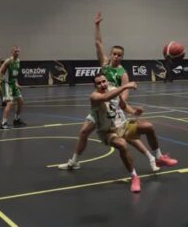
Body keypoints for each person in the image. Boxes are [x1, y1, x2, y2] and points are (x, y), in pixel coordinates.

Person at [59, 13, 175, 171]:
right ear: (111, 54)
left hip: (113, 109)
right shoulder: (105, 64)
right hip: (99, 107)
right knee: (84, 132)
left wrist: (124, 108)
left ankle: (152, 159)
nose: (116, 56)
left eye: (119, 55)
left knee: (130, 138)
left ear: (122, 57)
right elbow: (98, 43)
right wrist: (97, 25)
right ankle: (74, 162)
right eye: (114, 54)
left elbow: (124, 97)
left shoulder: (123, 74)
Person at [78, 73, 178, 193]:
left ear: (107, 81)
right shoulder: (94, 96)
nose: (102, 84)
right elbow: (106, 98)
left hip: (122, 126)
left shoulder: (113, 90)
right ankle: (134, 177)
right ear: (95, 86)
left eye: (104, 81)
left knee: (148, 127)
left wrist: (135, 112)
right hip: (107, 132)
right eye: (99, 83)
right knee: (122, 145)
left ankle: (159, 158)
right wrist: (125, 86)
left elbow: (123, 105)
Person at [0, 46, 26, 129]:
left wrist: (17, 84)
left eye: (18, 51)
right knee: (10, 103)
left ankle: (16, 119)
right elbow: (0, 72)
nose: (17, 53)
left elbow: (15, 75)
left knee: (21, 101)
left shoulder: (18, 61)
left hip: (13, 84)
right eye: (15, 51)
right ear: (12, 52)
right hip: (6, 84)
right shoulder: (8, 61)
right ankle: (3, 123)